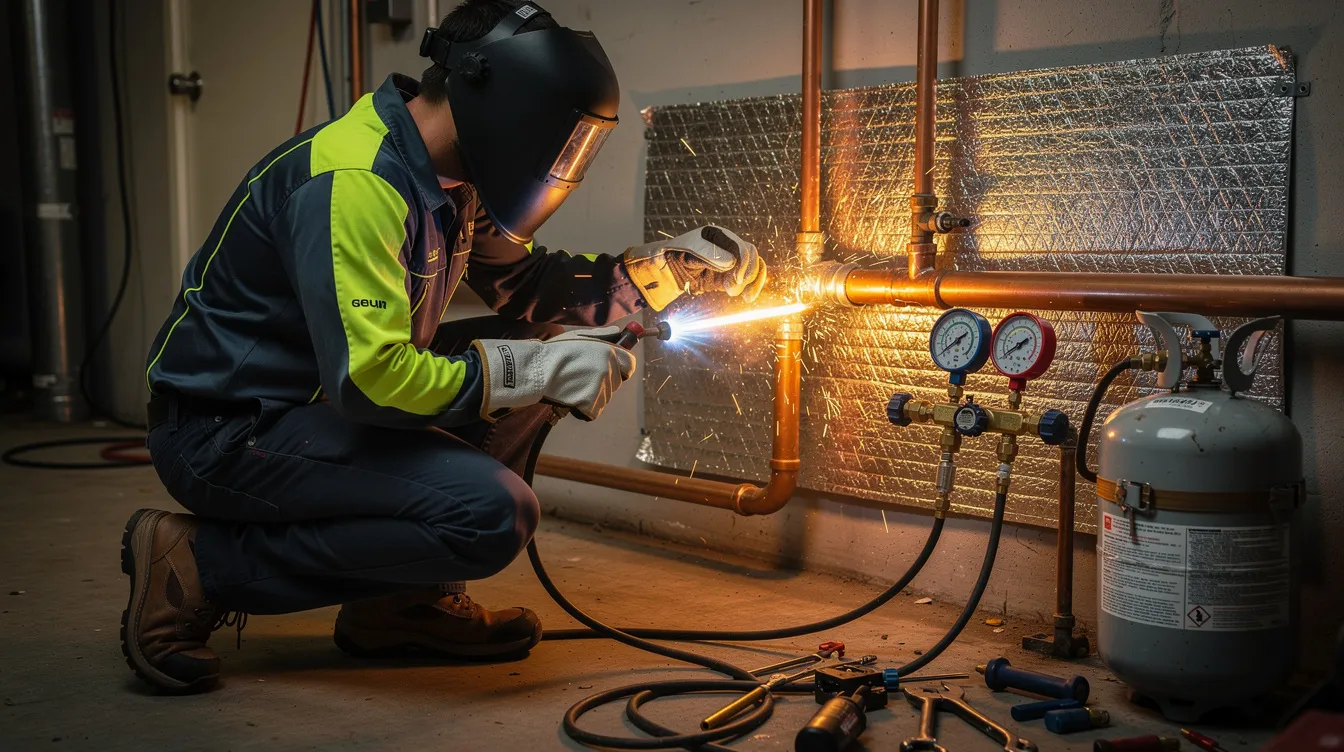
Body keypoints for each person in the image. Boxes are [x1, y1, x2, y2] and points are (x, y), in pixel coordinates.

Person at [121, 0, 766, 694]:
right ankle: (200, 563)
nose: (559, 155)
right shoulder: (358, 182)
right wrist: (533, 370)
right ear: (502, 99)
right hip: (228, 432)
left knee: (539, 341)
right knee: (490, 514)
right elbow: (369, 381)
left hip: (311, 411)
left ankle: (399, 605)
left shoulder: (449, 176)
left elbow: (524, 281)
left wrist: (665, 271)